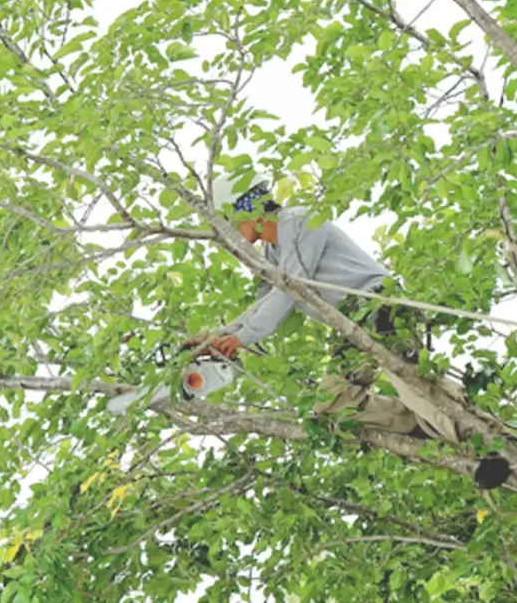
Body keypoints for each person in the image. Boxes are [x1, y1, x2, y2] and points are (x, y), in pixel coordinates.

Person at [189, 173, 460, 444]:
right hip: (353, 325)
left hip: (381, 306)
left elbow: (289, 290)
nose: (227, 234)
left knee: (414, 383)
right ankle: (423, 425)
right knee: (333, 407)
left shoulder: (298, 222)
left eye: (228, 223)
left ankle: (485, 440)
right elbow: (263, 303)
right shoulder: (273, 254)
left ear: (248, 210)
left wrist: (242, 338)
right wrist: (218, 336)